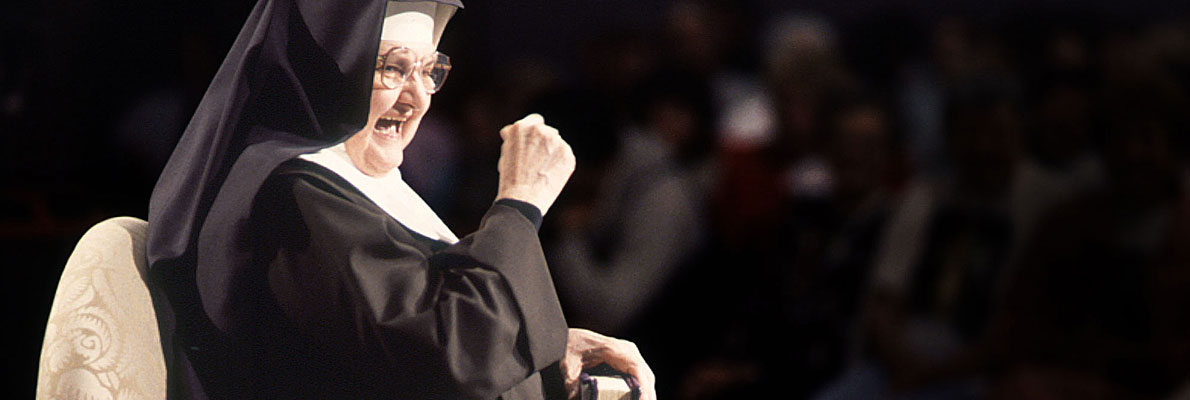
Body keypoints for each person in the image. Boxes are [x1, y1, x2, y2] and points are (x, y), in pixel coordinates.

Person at [145, 0, 653, 399]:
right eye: (393, 68)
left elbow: (420, 337)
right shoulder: (296, 195)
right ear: (330, 73)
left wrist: (545, 352)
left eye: (428, 70)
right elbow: (449, 357)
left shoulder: (360, 186)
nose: (417, 97)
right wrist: (520, 202)